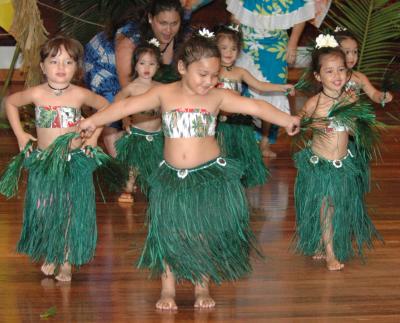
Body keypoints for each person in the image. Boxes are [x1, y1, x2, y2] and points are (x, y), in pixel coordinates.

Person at [80, 29, 300, 310]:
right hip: (171, 176)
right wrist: (93, 121)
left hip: (207, 177)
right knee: (168, 230)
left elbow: (254, 105)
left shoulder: (216, 98)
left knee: (202, 232)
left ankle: (201, 285)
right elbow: (126, 106)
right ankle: (168, 288)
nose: (210, 81)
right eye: (203, 74)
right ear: (183, 67)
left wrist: (285, 118)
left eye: (215, 75)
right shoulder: (164, 93)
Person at [2, 36, 109, 282]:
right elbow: (10, 102)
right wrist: (20, 135)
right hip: (46, 162)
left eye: (68, 62)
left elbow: (105, 107)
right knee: (47, 208)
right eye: (54, 61)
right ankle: (52, 251)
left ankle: (68, 260)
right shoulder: (38, 93)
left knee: (72, 209)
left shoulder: (80, 95)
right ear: (42, 67)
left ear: (76, 67)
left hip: (74, 161)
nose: (61, 68)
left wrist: (93, 138)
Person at [293, 34, 381, 271]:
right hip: (320, 164)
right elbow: (295, 125)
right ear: (318, 76)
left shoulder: (350, 100)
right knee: (325, 207)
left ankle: (325, 244)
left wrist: (352, 119)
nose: (337, 75)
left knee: (337, 206)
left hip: (342, 165)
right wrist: (312, 125)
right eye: (329, 71)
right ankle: (330, 252)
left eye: (341, 70)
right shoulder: (314, 102)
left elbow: (353, 132)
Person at [84, 0, 186, 157]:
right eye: (163, 23)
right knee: (113, 100)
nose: (168, 29)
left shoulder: (183, 36)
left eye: (174, 23)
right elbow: (128, 85)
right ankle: (120, 162)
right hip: (103, 60)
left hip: (144, 68)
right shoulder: (129, 37)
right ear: (151, 18)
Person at [226, 0, 316, 157]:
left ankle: (265, 142)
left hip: (276, 46)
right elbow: (235, 14)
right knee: (245, 92)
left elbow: (302, 12)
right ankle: (246, 141)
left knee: (273, 93)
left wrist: (293, 44)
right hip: (247, 43)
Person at [215, 24, 294, 187]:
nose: (229, 53)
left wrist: (281, 87)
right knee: (222, 156)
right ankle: (223, 184)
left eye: (233, 49)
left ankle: (238, 183)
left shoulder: (240, 72)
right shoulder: (213, 73)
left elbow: (260, 85)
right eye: (224, 48)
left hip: (239, 122)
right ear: (215, 49)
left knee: (239, 156)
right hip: (219, 123)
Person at [114, 39, 163, 203]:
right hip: (137, 133)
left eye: (152, 64)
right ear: (135, 66)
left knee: (157, 163)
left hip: (157, 135)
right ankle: (128, 188)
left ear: (158, 66)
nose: (147, 68)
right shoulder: (132, 87)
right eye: (142, 63)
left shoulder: (161, 87)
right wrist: (125, 118)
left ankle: (156, 189)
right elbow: (118, 102)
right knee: (133, 166)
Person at [334, 28, 393, 104]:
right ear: (333, 53)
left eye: (355, 51)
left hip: (354, 115)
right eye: (347, 52)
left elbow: (373, 94)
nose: (352, 56)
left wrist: (381, 96)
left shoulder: (360, 77)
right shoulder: (329, 77)